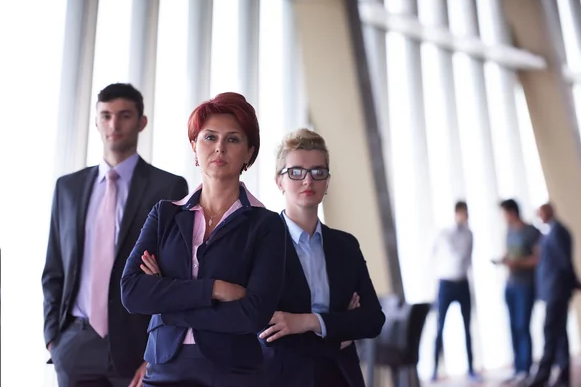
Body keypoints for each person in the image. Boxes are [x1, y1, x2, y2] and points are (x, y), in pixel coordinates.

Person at [121, 92, 288, 386]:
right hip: (162, 370)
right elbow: (132, 291)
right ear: (194, 146)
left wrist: (167, 306)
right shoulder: (165, 215)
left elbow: (253, 314)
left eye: (233, 139)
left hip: (234, 374)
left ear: (249, 153)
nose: (219, 148)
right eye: (209, 137)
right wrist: (215, 289)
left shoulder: (267, 225)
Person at [41, 83, 189, 387]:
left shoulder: (169, 188)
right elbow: (54, 268)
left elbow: (176, 278)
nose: (114, 124)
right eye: (105, 116)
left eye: (124, 115)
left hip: (137, 346)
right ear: (96, 121)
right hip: (74, 344)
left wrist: (154, 353)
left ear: (141, 122)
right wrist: (53, 339)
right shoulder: (67, 188)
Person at [259, 128, 385, 387]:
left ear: (327, 181)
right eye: (296, 172)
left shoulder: (346, 246)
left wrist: (304, 322)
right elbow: (261, 327)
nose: (308, 181)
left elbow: (372, 320)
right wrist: (339, 328)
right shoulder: (259, 245)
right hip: (280, 379)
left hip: (340, 377)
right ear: (278, 180)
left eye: (318, 172)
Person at [528, 204, 581, 387]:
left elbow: (564, 261)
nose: (540, 215)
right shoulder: (550, 232)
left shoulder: (558, 231)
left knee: (551, 330)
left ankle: (544, 374)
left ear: (551, 212)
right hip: (552, 289)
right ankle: (561, 375)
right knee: (559, 332)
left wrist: (573, 280)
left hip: (557, 290)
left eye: (542, 212)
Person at [431, 201, 481, 383]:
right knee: (440, 326)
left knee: (467, 327)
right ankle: (434, 369)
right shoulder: (444, 233)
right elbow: (436, 255)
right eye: (462, 213)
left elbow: (466, 258)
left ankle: (471, 369)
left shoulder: (470, 234)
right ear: (456, 213)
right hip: (446, 283)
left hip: (462, 283)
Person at [496, 199, 540, 384]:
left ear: (512, 212)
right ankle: (518, 367)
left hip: (525, 285)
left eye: (504, 213)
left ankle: (526, 368)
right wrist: (504, 260)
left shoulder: (531, 231)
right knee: (513, 327)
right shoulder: (509, 232)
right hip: (511, 284)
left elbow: (537, 259)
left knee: (523, 326)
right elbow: (510, 253)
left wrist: (518, 263)